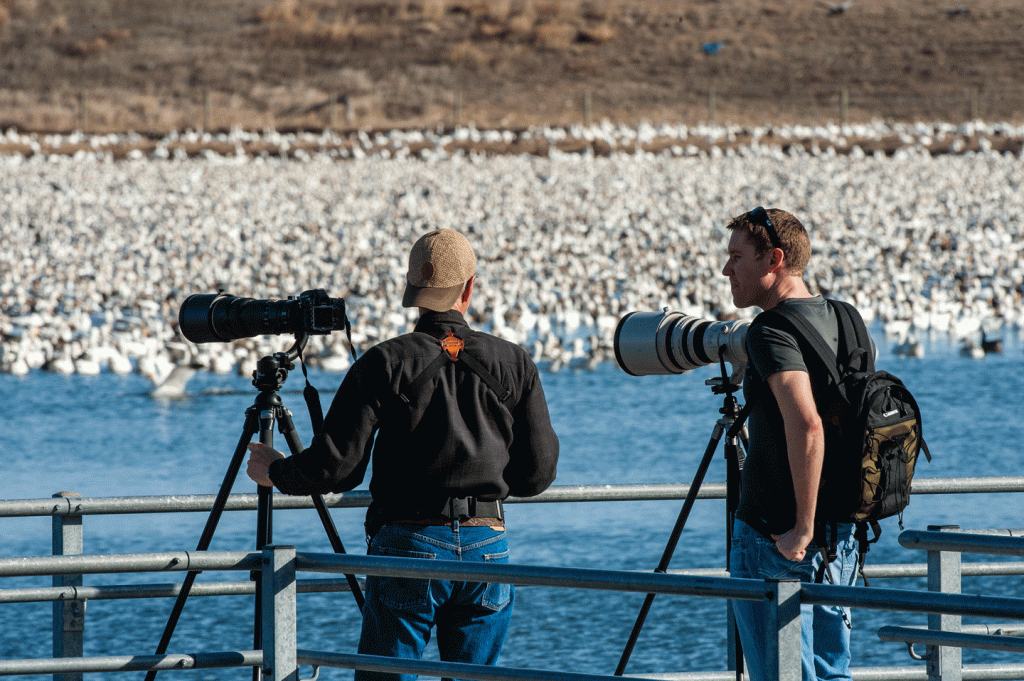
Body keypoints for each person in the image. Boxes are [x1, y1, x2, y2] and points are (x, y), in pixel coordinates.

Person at [246, 227, 559, 681]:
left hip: (408, 545)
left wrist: (278, 472)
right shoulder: (515, 361)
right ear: (470, 288)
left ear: (411, 293)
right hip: (487, 548)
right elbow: (537, 476)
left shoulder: (384, 361)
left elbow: (340, 467)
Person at [722, 207, 866, 681]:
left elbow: (808, 425)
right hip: (841, 539)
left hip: (778, 538)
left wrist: (800, 528)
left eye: (737, 257)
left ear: (774, 260)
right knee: (830, 676)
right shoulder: (848, 318)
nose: (727, 270)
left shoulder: (770, 330)